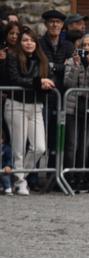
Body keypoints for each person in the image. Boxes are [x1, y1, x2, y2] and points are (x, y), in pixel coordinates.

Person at [4, 27, 55, 195]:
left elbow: (49, 77)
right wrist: (39, 82)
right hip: (16, 104)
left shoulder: (42, 59)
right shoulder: (13, 57)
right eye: (25, 40)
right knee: (18, 148)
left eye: (32, 40)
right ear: (20, 42)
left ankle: (17, 176)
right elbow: (15, 79)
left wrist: (48, 84)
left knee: (39, 147)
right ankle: (21, 182)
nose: (29, 43)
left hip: (36, 106)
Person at [63, 33, 89, 193]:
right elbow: (68, 83)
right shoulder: (71, 60)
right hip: (72, 108)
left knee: (84, 146)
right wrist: (75, 65)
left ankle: (80, 179)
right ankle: (68, 178)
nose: (86, 48)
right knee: (72, 145)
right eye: (84, 45)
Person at [39, 9, 73, 91]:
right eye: (51, 21)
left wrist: (52, 66)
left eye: (58, 22)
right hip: (44, 89)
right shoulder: (38, 44)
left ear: (62, 25)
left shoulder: (68, 45)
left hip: (62, 91)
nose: (55, 25)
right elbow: (39, 66)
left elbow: (70, 68)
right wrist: (61, 67)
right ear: (46, 24)